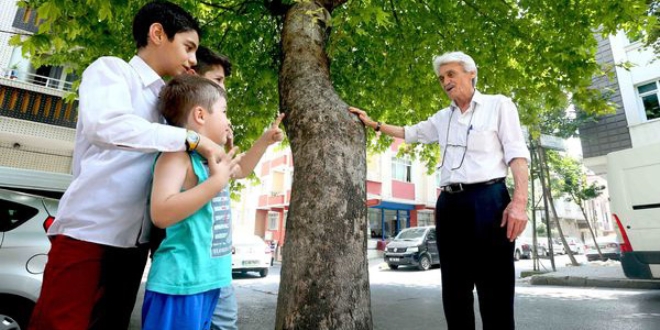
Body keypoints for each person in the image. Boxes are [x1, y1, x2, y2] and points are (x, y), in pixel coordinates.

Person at [28, 2, 227, 329]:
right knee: (60, 323)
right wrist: (191, 139)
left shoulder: (169, 102)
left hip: (134, 245)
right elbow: (106, 126)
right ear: (158, 33)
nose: (193, 60)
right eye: (188, 47)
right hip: (90, 232)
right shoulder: (112, 71)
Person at [350, 51, 529, 330]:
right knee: (455, 290)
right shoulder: (441, 118)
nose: (445, 81)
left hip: (489, 201)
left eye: (451, 74)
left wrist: (519, 202)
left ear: (471, 73)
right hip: (449, 205)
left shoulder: (499, 105)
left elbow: (517, 154)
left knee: (495, 288)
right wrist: (374, 124)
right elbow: (411, 132)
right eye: (441, 77)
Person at [191, 45, 285, 330]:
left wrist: (265, 140)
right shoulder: (180, 145)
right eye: (218, 80)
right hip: (191, 269)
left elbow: (240, 169)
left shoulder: (212, 144)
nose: (224, 89)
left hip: (219, 268)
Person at [142, 74, 239, 330]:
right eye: (224, 111)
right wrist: (215, 183)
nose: (228, 120)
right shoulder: (176, 156)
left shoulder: (205, 163)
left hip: (208, 280)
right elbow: (161, 213)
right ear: (200, 115)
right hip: (180, 284)